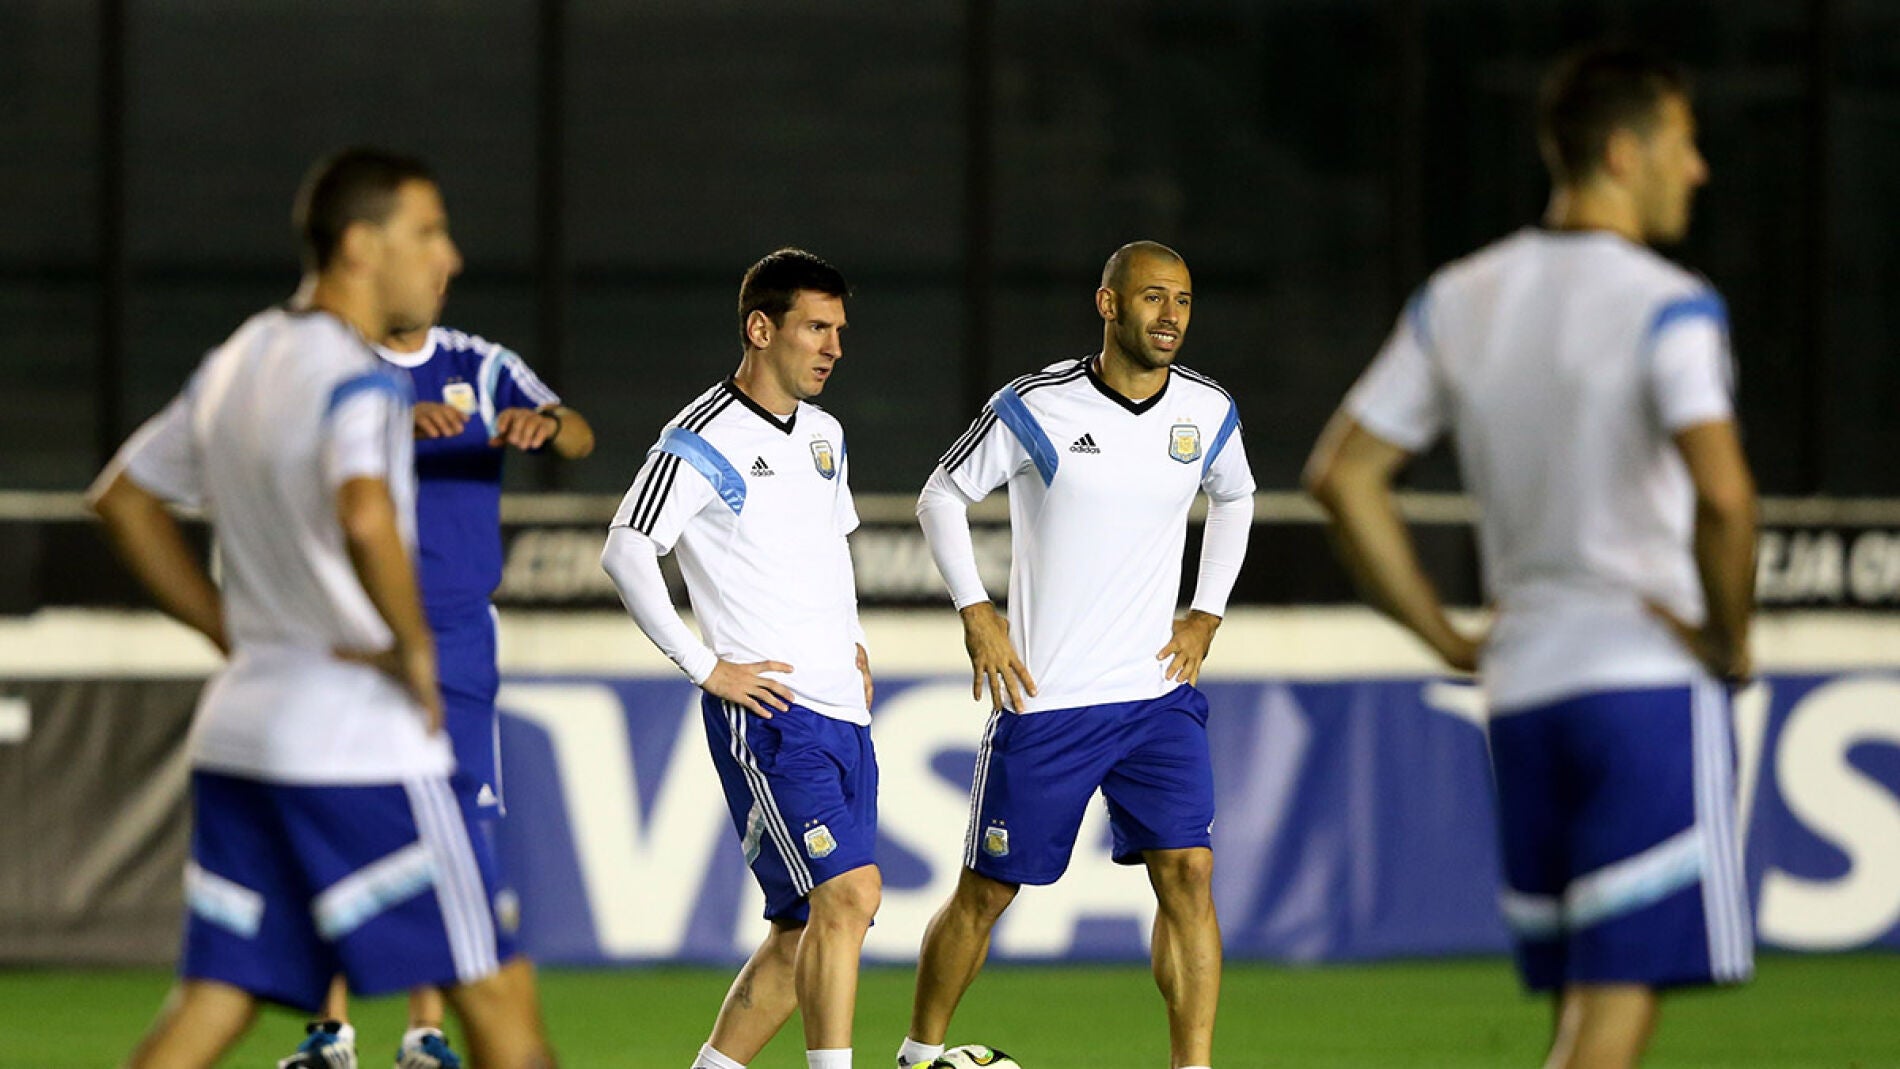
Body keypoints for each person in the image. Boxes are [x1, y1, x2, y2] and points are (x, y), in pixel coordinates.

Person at [1303, 44, 1755, 1069]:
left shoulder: (1460, 297)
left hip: (1522, 689)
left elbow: (1343, 475)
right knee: (1618, 998)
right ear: (1620, 150)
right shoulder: (1666, 304)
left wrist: (1445, 634)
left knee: (1579, 1001)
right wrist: (1728, 639)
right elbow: (1724, 495)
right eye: (1682, 145)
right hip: (1641, 681)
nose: (1697, 170)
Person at [87, 147, 556, 1069]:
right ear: (358, 246)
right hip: (355, 736)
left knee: (214, 1002)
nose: (447, 256)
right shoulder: (361, 375)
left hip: (244, 729)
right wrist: (414, 647)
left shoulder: (238, 359)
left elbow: (124, 498)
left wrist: (232, 633)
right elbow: (365, 508)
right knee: (496, 991)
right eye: (426, 232)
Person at [895, 241, 1255, 1069]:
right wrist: (976, 608)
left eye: (1185, 301)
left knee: (1190, 874)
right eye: (1154, 298)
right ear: (1108, 305)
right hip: (1048, 697)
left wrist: (1206, 613)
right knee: (986, 893)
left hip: (1157, 695)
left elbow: (1236, 495)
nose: (1171, 317)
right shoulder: (1036, 406)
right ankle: (919, 1054)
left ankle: (1192, 1065)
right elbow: (941, 494)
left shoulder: (1206, 409)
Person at [279, 318, 593, 1069]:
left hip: (456, 637)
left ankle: (425, 1034)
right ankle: (329, 1032)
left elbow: (580, 434)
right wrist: (389, 423)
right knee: (339, 818)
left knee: (451, 833)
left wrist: (542, 423)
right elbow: (287, 462)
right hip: (355, 629)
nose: (433, 271)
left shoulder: (480, 362)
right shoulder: (334, 364)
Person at [600, 249, 878, 1069]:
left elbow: (833, 545)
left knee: (807, 932)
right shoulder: (701, 439)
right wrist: (705, 665)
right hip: (771, 714)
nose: (832, 346)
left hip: (842, 707)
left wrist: (853, 637)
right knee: (849, 894)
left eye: (838, 330)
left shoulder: (826, 434)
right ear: (762, 328)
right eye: (815, 327)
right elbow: (625, 551)